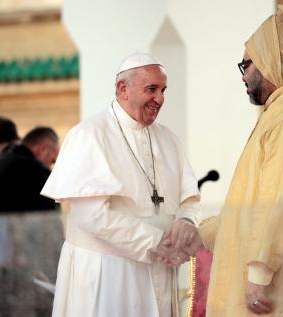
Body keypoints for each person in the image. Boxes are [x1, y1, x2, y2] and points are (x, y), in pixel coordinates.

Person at [197, 5, 283, 316]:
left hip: (281, 293)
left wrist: (259, 275)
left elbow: (280, 198)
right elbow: (253, 209)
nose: (243, 75)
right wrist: (199, 235)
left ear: (269, 62)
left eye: (246, 65)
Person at [41, 52, 202, 317]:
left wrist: (186, 222)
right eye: (151, 89)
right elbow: (92, 216)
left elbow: (190, 200)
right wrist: (156, 242)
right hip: (108, 274)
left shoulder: (168, 139)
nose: (160, 98)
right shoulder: (89, 135)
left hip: (160, 268)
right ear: (123, 89)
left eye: (163, 90)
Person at [0, 126, 59, 213]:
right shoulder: (35, 170)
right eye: (52, 161)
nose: (50, 167)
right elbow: (51, 220)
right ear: (43, 150)